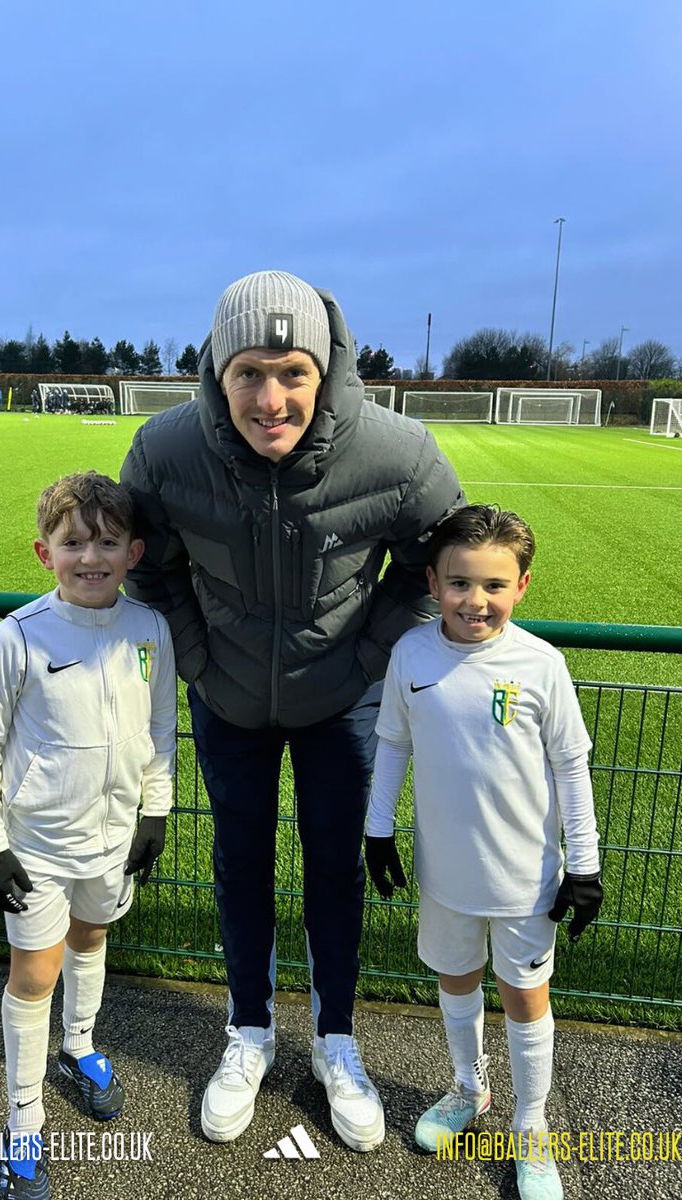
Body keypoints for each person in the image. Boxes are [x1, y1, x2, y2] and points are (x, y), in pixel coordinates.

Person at [121, 269, 464, 1152]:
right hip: (228, 700)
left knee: (334, 872)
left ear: (326, 370)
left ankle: (336, 1040)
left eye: (292, 373)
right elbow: (151, 568)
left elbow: (437, 568)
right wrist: (199, 658)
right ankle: (249, 1031)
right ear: (216, 371)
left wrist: (365, 658)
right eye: (248, 372)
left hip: (340, 704)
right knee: (239, 866)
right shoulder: (163, 451)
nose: (270, 400)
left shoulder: (400, 453)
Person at [364, 504, 602, 1200]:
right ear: (433, 582)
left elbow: (571, 768)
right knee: (456, 979)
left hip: (525, 879)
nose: (476, 600)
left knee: (524, 996)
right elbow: (394, 743)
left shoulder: (541, 665)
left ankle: (532, 1125)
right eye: (461, 583)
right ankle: (470, 1088)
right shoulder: (411, 655)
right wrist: (378, 829)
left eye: (495, 585)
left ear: (521, 586)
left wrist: (584, 865)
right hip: (445, 874)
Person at [0, 471, 176, 1198]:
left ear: (133, 552)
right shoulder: (17, 637)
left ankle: (78, 1046)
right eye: (73, 542)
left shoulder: (149, 630)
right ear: (43, 552)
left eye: (107, 542)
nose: (91, 557)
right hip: (36, 849)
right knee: (34, 974)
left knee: (91, 938)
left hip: (112, 839)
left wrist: (155, 810)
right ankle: (23, 1122)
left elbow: (161, 728)